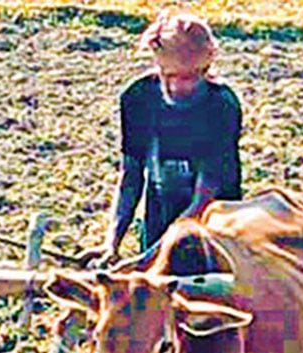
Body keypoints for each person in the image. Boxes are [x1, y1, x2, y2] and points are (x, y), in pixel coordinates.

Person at [79, 11, 242, 269]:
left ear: (205, 69)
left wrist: (147, 260)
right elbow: (131, 175)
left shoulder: (221, 106)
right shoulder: (138, 98)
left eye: (187, 77)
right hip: (159, 220)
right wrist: (112, 243)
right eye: (168, 74)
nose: (176, 86)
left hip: (212, 233)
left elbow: (205, 197)